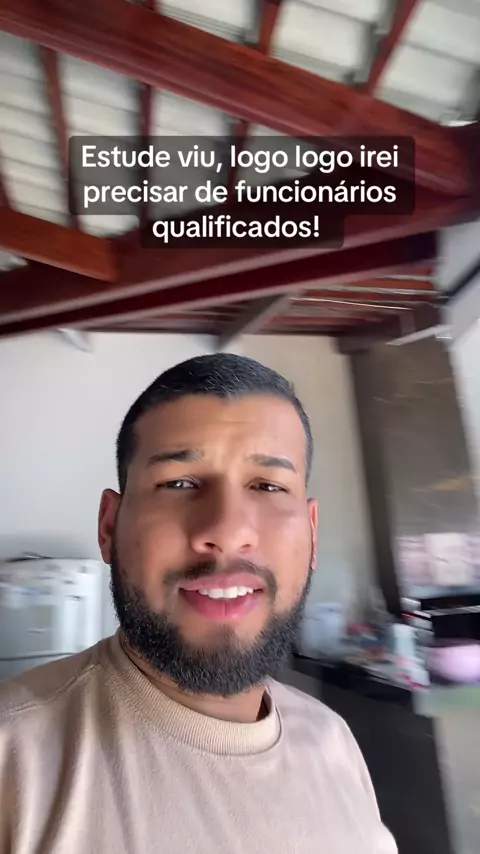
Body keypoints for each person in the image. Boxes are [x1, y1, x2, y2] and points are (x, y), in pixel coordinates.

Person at [0, 353, 396, 853]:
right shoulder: (13, 760)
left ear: (312, 534)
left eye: (269, 486)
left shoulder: (335, 744)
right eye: (179, 483)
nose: (227, 531)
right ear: (109, 527)